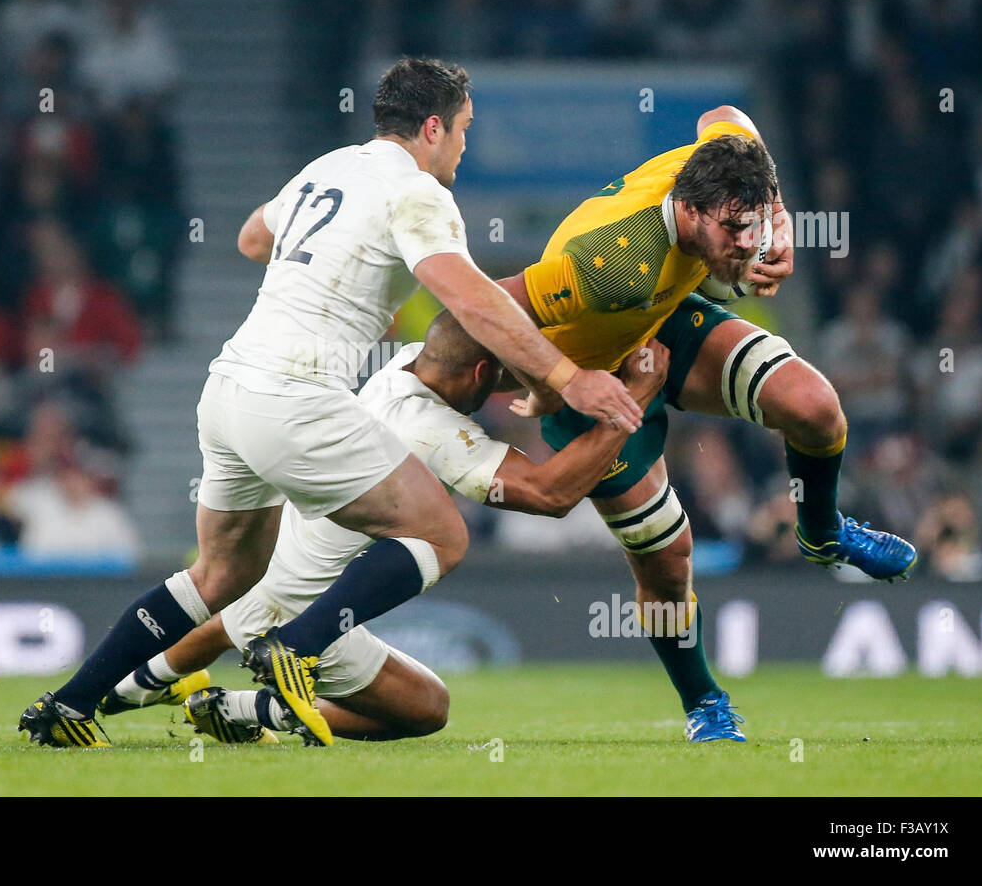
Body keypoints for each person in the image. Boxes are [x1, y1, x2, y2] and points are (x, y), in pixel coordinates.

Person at [19, 58, 643, 748]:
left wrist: (340, 285)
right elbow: (467, 297)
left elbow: (252, 238)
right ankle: (299, 647)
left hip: (229, 387)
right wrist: (566, 376)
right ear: (433, 128)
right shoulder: (418, 193)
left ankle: (70, 706)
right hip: (294, 392)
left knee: (221, 573)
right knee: (442, 535)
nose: (465, 146)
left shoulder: (328, 168)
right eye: (464, 130)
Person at [486, 105, 918, 741]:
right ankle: (704, 705)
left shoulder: (723, 170)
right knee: (666, 560)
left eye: (751, 226)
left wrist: (780, 222)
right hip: (587, 379)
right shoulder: (607, 259)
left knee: (814, 405)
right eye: (734, 230)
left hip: (656, 321)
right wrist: (552, 380)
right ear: (688, 213)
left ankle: (822, 532)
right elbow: (494, 306)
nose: (748, 244)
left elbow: (727, 115)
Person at [98, 313, 669, 744]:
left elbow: (472, 353)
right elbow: (552, 494)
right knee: (426, 709)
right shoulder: (435, 432)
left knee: (249, 609)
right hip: (302, 613)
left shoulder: (409, 362)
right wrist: (633, 398)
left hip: (279, 586)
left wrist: (558, 380)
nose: (503, 390)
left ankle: (170, 695)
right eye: (497, 379)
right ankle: (251, 703)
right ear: (479, 373)